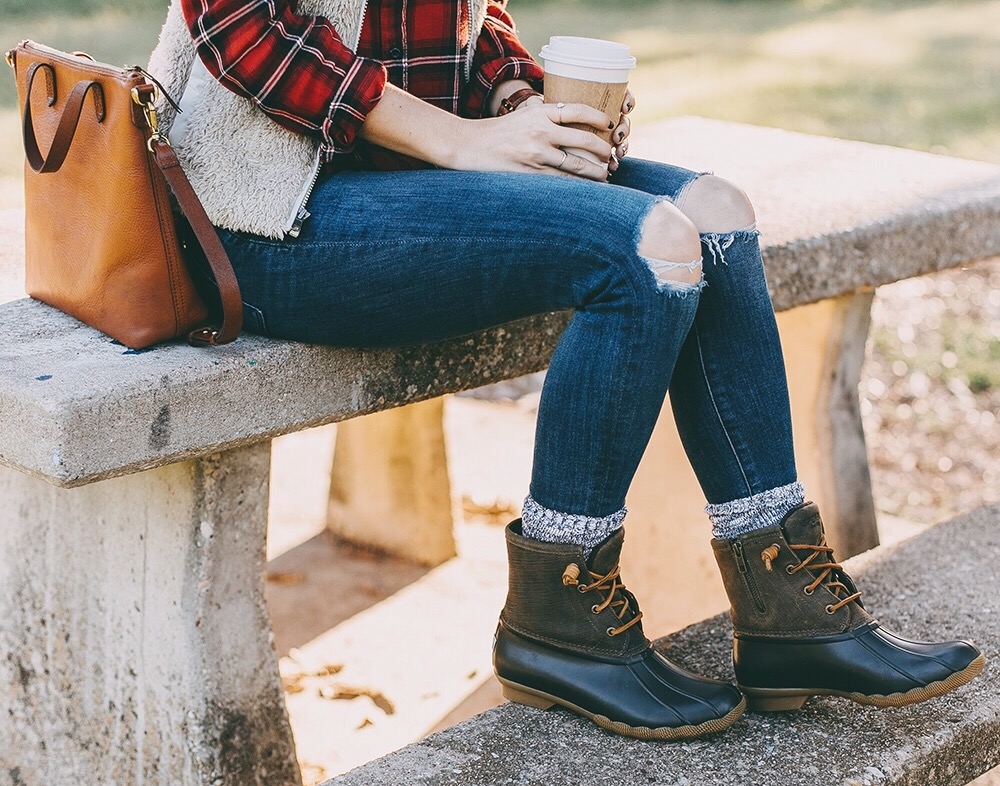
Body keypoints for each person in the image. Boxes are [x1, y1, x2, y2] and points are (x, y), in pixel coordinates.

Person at [149, 0, 984, 741]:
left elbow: (467, 29)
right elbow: (239, 25)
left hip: (420, 186)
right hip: (268, 221)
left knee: (715, 218)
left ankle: (782, 603)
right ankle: (559, 610)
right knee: (644, 249)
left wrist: (525, 105)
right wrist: (463, 139)